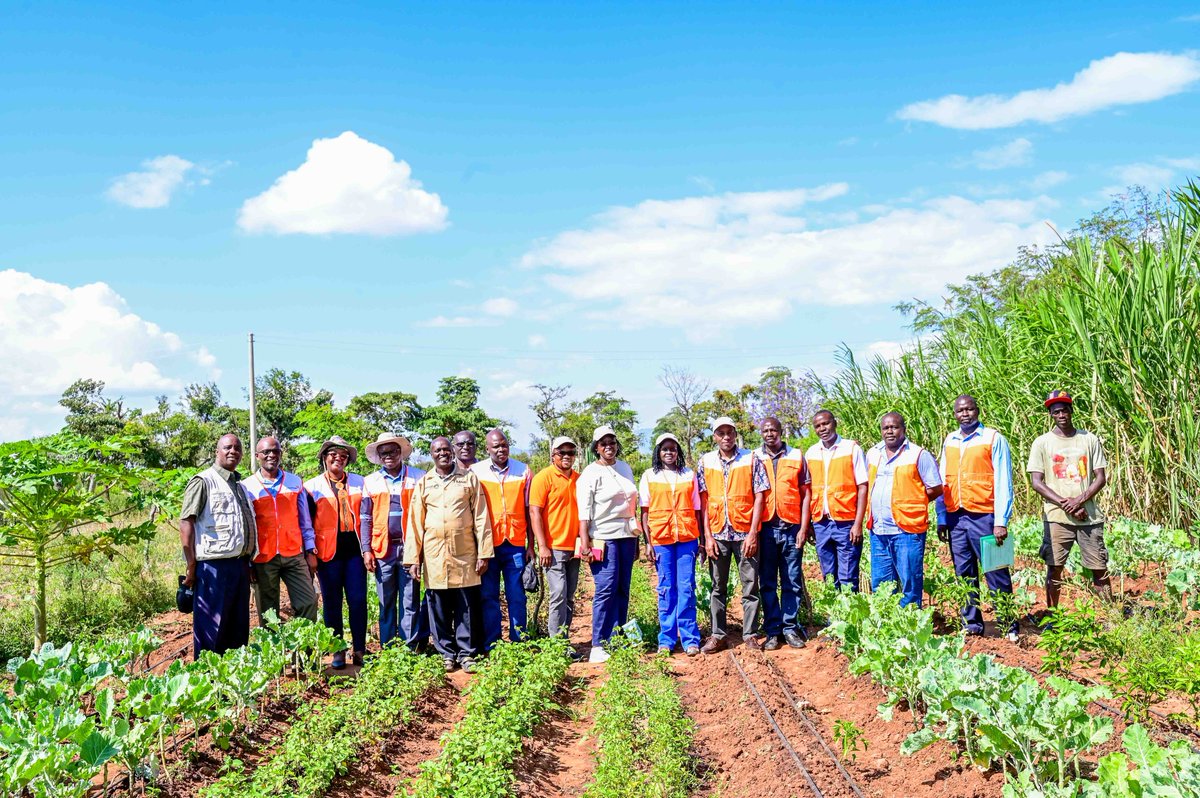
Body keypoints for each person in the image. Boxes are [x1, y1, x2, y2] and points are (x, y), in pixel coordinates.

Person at [404, 436, 494, 672]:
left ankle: (467, 654)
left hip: (465, 552)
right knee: (439, 607)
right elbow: (415, 523)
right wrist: (413, 558)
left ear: (452, 452)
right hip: (435, 555)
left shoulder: (469, 479)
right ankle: (446, 653)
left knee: (466, 605)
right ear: (431, 454)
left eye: (446, 449)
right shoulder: (425, 483)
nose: (442, 453)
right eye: (437, 450)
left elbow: (481, 517)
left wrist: (484, 552)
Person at [935, 395, 1018, 641]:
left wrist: (1001, 520)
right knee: (964, 571)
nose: (965, 414)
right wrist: (941, 515)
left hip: (986, 516)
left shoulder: (993, 438)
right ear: (955, 414)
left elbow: (1004, 480)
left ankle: (1008, 624)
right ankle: (972, 623)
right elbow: (943, 480)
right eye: (960, 410)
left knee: (997, 570)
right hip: (956, 517)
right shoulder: (950, 440)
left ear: (977, 411)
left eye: (969, 409)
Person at [1026, 390, 1112, 609]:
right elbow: (1037, 482)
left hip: (1089, 517)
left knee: (1099, 568)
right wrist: (1068, 505)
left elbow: (1100, 478)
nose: (1061, 415)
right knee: (1054, 568)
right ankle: (1053, 617)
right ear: (1051, 415)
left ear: (1071, 411)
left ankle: (1112, 619)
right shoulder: (1042, 443)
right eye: (1056, 412)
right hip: (1057, 518)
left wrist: (1079, 501)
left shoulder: (1089, 439)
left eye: (1065, 410)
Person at [179, 434, 257, 658]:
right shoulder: (203, 481)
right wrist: (191, 566)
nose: (233, 451)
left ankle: (232, 684)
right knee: (211, 630)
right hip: (213, 567)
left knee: (238, 628)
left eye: (237, 448)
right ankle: (208, 685)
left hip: (239, 566)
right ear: (217, 452)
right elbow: (186, 522)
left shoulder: (239, 486)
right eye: (227, 447)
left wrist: (249, 562)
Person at [697, 416, 769, 653]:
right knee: (718, 587)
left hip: (744, 533)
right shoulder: (706, 461)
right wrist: (707, 537)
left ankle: (749, 634)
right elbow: (704, 502)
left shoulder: (751, 458)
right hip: (718, 534)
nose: (726, 437)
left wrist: (753, 533)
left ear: (735, 434)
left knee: (750, 586)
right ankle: (718, 634)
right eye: (721, 433)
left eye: (730, 432)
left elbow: (760, 495)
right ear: (715, 437)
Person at [359, 432, 429, 651]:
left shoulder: (418, 477)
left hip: (410, 548)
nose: (388, 456)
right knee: (386, 601)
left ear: (401, 452)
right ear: (379, 456)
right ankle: (389, 648)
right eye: (384, 453)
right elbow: (365, 518)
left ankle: (410, 647)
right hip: (383, 550)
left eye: (392, 451)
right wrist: (366, 549)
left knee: (410, 600)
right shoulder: (370, 481)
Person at [866, 413, 943, 608]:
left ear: (903, 429)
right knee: (881, 584)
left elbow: (935, 487)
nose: (890, 431)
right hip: (879, 530)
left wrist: (914, 502)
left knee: (910, 581)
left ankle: (910, 625)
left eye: (894, 427)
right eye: (886, 428)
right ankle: (888, 628)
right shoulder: (873, 454)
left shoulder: (918, 454)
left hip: (907, 530)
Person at [577, 425, 640, 663]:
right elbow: (584, 513)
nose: (608, 446)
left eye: (612, 441)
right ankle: (598, 643)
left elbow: (633, 504)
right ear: (596, 447)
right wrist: (585, 544)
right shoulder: (589, 474)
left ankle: (617, 636)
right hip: (603, 537)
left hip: (627, 536)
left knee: (623, 588)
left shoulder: (624, 467)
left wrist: (636, 542)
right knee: (606, 589)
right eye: (603, 443)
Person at [240, 436, 319, 625]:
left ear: (281, 454)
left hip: (293, 553)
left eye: (275, 451)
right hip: (263, 558)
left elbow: (305, 520)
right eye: (266, 452)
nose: (271, 455)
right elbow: (246, 527)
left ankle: (302, 653)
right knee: (269, 613)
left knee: (308, 602)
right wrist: (248, 561)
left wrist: (310, 550)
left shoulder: (295, 482)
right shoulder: (246, 486)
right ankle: (274, 653)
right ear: (257, 455)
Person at [305, 436, 368, 669]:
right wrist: (310, 551)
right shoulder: (312, 487)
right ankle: (337, 650)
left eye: (343, 456)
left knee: (358, 600)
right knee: (332, 602)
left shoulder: (360, 483)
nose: (338, 458)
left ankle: (359, 649)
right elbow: (307, 522)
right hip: (327, 554)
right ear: (324, 457)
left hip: (355, 553)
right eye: (333, 454)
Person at [638, 433, 702, 657]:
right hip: (661, 539)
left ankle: (690, 638)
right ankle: (666, 638)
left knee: (686, 587)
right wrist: (647, 542)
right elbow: (644, 512)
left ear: (678, 452)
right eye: (664, 449)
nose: (669, 452)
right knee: (666, 589)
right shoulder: (649, 476)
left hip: (687, 538)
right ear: (658, 452)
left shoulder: (688, 475)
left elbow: (697, 509)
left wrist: (701, 539)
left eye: (673, 449)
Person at [470, 429, 534, 651]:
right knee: (488, 596)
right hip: (488, 544)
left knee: (517, 594)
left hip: (515, 543)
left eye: (504, 445)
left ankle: (519, 641)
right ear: (487, 449)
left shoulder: (523, 470)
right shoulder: (476, 472)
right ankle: (492, 644)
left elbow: (529, 510)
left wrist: (531, 546)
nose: (500, 450)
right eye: (495, 446)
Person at [757, 416, 812, 650]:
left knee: (791, 580)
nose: (770, 434)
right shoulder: (754, 458)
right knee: (767, 582)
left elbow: (806, 493)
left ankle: (790, 628)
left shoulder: (796, 456)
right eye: (766, 430)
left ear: (781, 432)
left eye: (774, 430)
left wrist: (803, 527)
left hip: (791, 528)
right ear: (762, 434)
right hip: (766, 530)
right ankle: (772, 630)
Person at [804, 410, 868, 592]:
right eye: (818, 426)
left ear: (835, 423)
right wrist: (809, 523)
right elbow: (808, 491)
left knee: (848, 576)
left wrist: (857, 524)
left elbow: (863, 486)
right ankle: (834, 618)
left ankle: (848, 618)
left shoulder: (851, 449)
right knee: (829, 576)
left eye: (826, 424)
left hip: (845, 522)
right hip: (821, 523)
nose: (822, 428)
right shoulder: (811, 453)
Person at [529, 436, 580, 649]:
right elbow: (535, 512)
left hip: (574, 547)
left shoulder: (579, 478)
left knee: (568, 595)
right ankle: (556, 644)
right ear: (553, 455)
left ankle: (564, 640)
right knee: (558, 593)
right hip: (554, 547)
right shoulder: (544, 478)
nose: (566, 456)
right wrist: (542, 545)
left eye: (570, 453)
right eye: (562, 453)